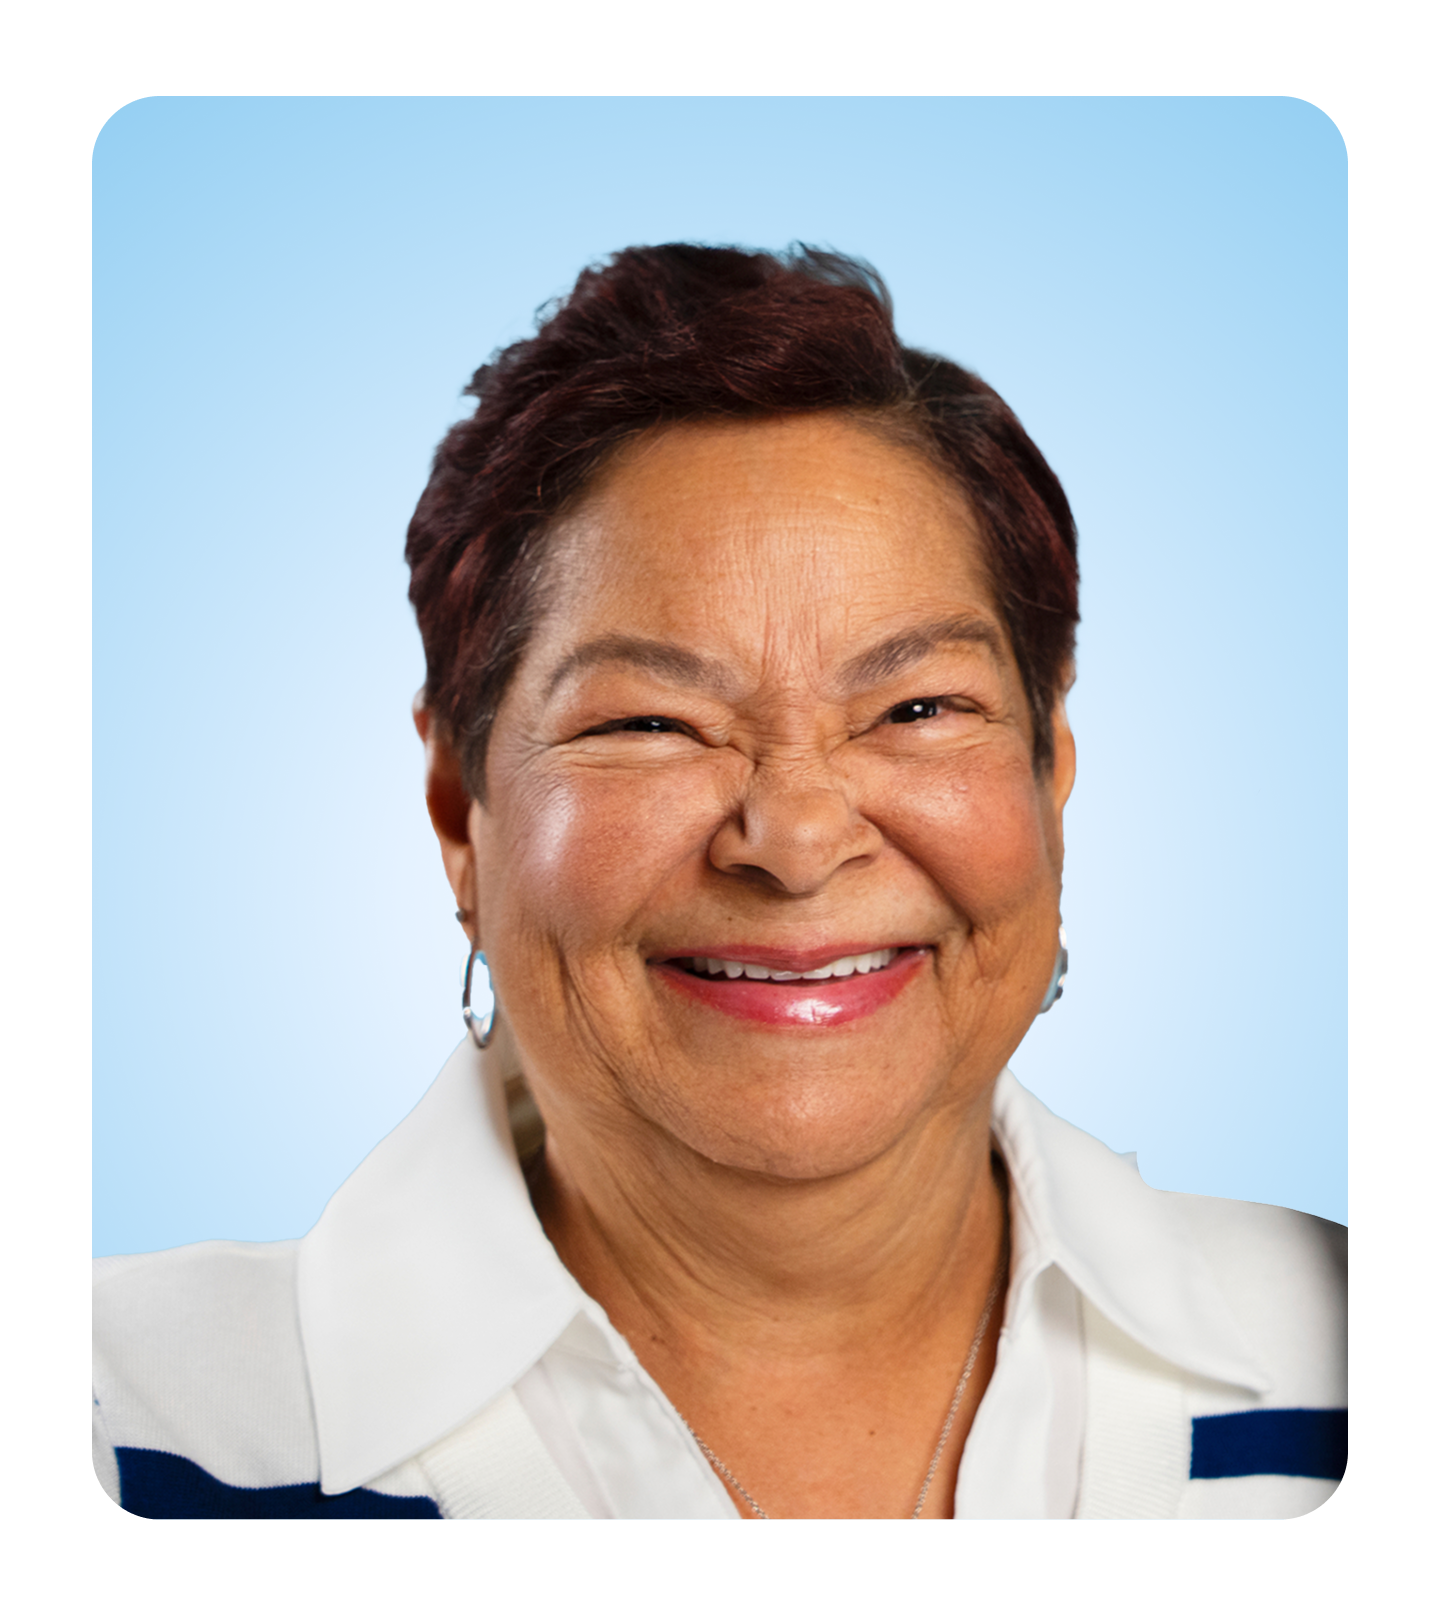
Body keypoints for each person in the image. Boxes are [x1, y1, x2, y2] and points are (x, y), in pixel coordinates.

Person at [92, 244, 1345, 1519]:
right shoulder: (108, 1429)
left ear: (1048, 778)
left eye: (916, 706)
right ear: (460, 813)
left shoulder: (1358, 1360)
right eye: (650, 723)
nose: (795, 840)